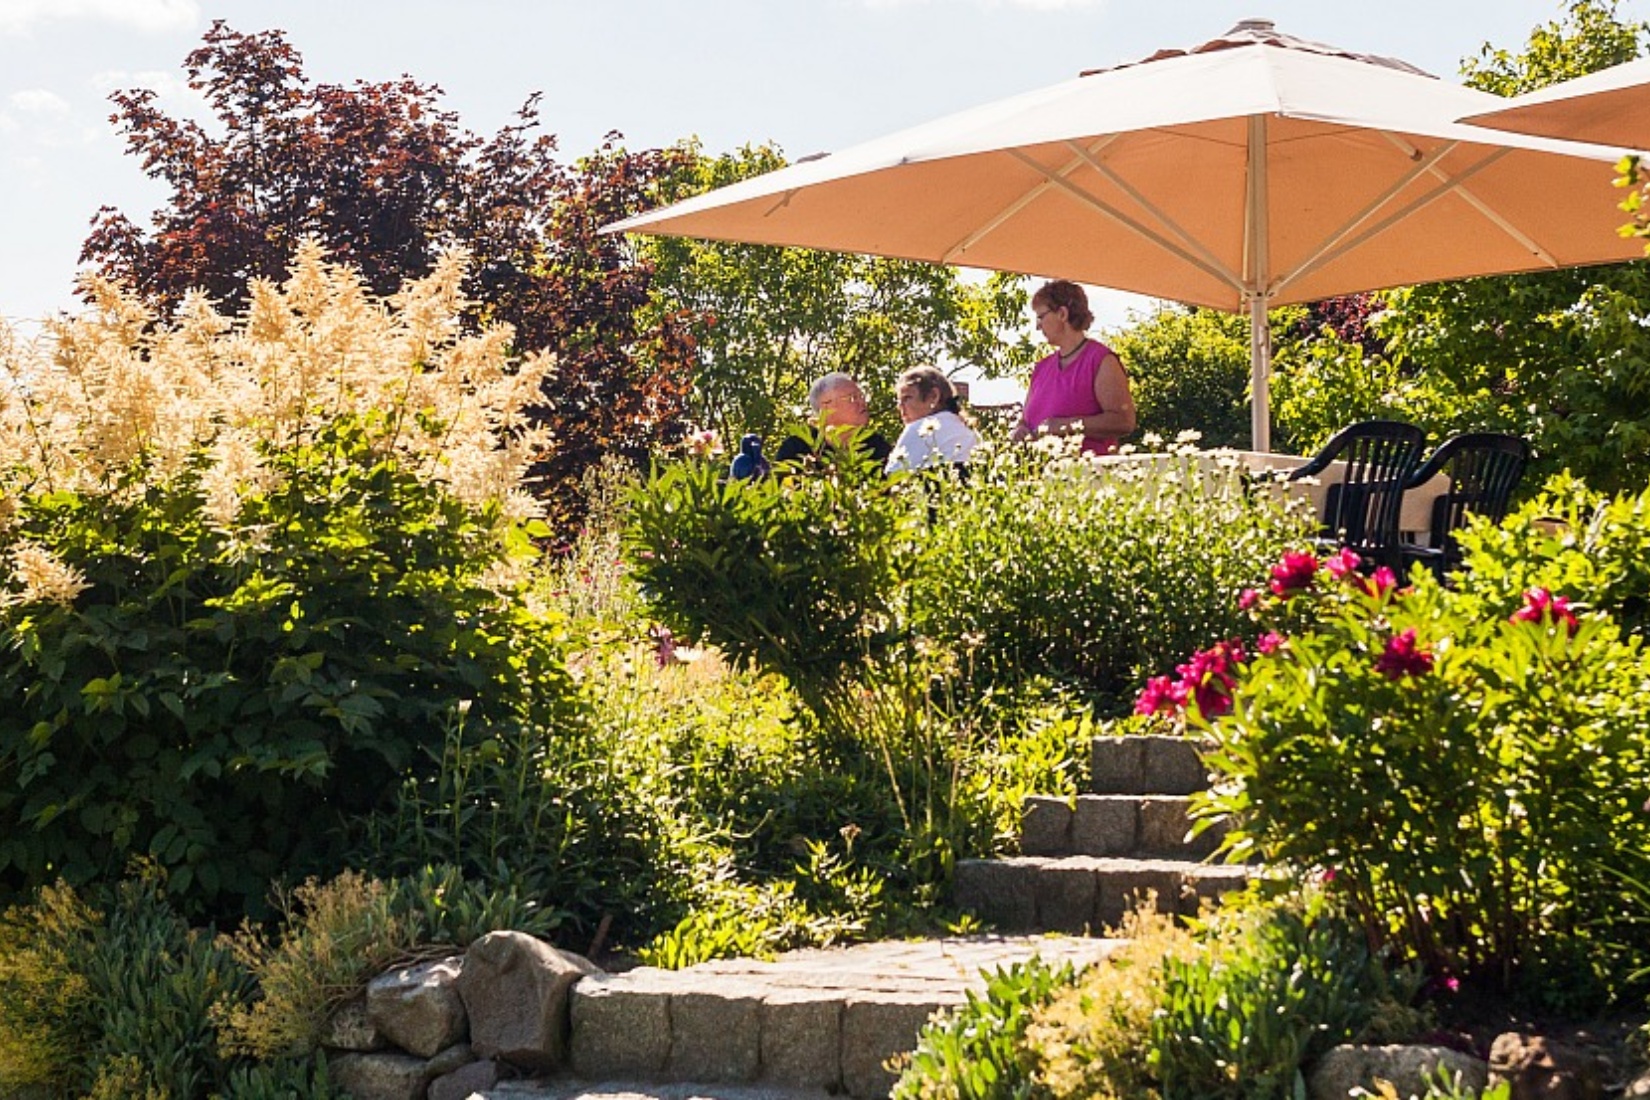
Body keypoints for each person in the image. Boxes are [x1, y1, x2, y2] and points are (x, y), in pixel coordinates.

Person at [1011, 280, 1137, 455]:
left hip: (1087, 475)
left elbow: (1123, 421)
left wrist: (1064, 426)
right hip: (1039, 476)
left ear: (1062, 314)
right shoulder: (1041, 368)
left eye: (1041, 317)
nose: (1037, 326)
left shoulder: (1101, 360)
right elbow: (1025, 421)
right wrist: (1019, 430)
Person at [773, 372, 892, 468]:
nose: (862, 402)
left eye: (861, 396)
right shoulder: (796, 448)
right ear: (826, 408)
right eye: (853, 398)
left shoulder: (876, 446)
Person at [886, 366, 979, 473]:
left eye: (907, 398)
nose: (900, 406)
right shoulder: (968, 429)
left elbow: (891, 478)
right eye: (898, 401)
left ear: (934, 396)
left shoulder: (917, 429)